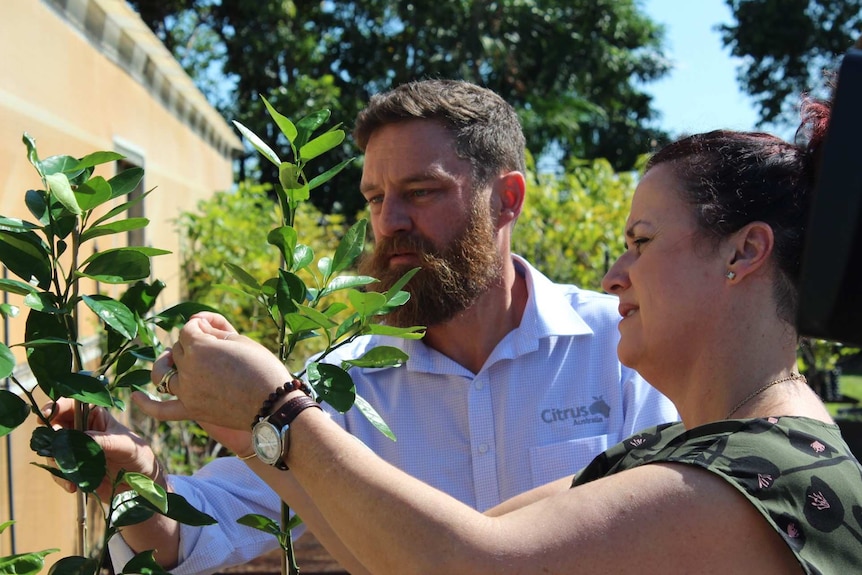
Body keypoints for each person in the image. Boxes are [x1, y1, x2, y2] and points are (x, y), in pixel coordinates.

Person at [147, 92, 862, 574]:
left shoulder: (756, 477)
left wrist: (276, 408)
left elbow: (478, 565)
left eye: (641, 240)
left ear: (744, 252)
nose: (614, 275)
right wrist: (251, 432)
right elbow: (413, 555)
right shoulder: (685, 448)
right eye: (373, 198)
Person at [48, 79, 677, 572]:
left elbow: (669, 535)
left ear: (506, 198)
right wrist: (132, 478)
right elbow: (196, 532)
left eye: (421, 191)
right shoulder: (344, 384)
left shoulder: (621, 349)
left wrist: (274, 413)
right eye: (375, 198)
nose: (388, 221)